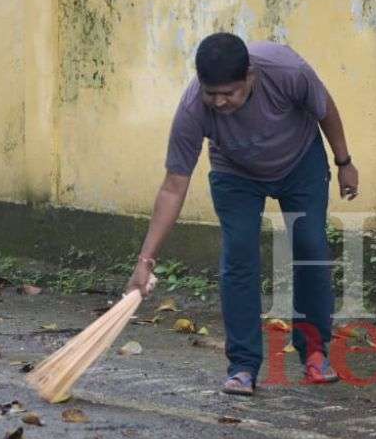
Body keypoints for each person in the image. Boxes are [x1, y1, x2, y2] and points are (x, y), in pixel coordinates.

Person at [125, 33, 359, 396]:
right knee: (239, 256)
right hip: (235, 173)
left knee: (311, 246)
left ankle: (314, 351)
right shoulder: (192, 108)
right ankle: (243, 366)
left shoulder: (286, 70)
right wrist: (146, 259)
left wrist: (344, 162)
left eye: (228, 93)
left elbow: (325, 109)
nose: (218, 102)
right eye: (210, 93)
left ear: (250, 76)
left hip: (301, 162)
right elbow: (174, 186)